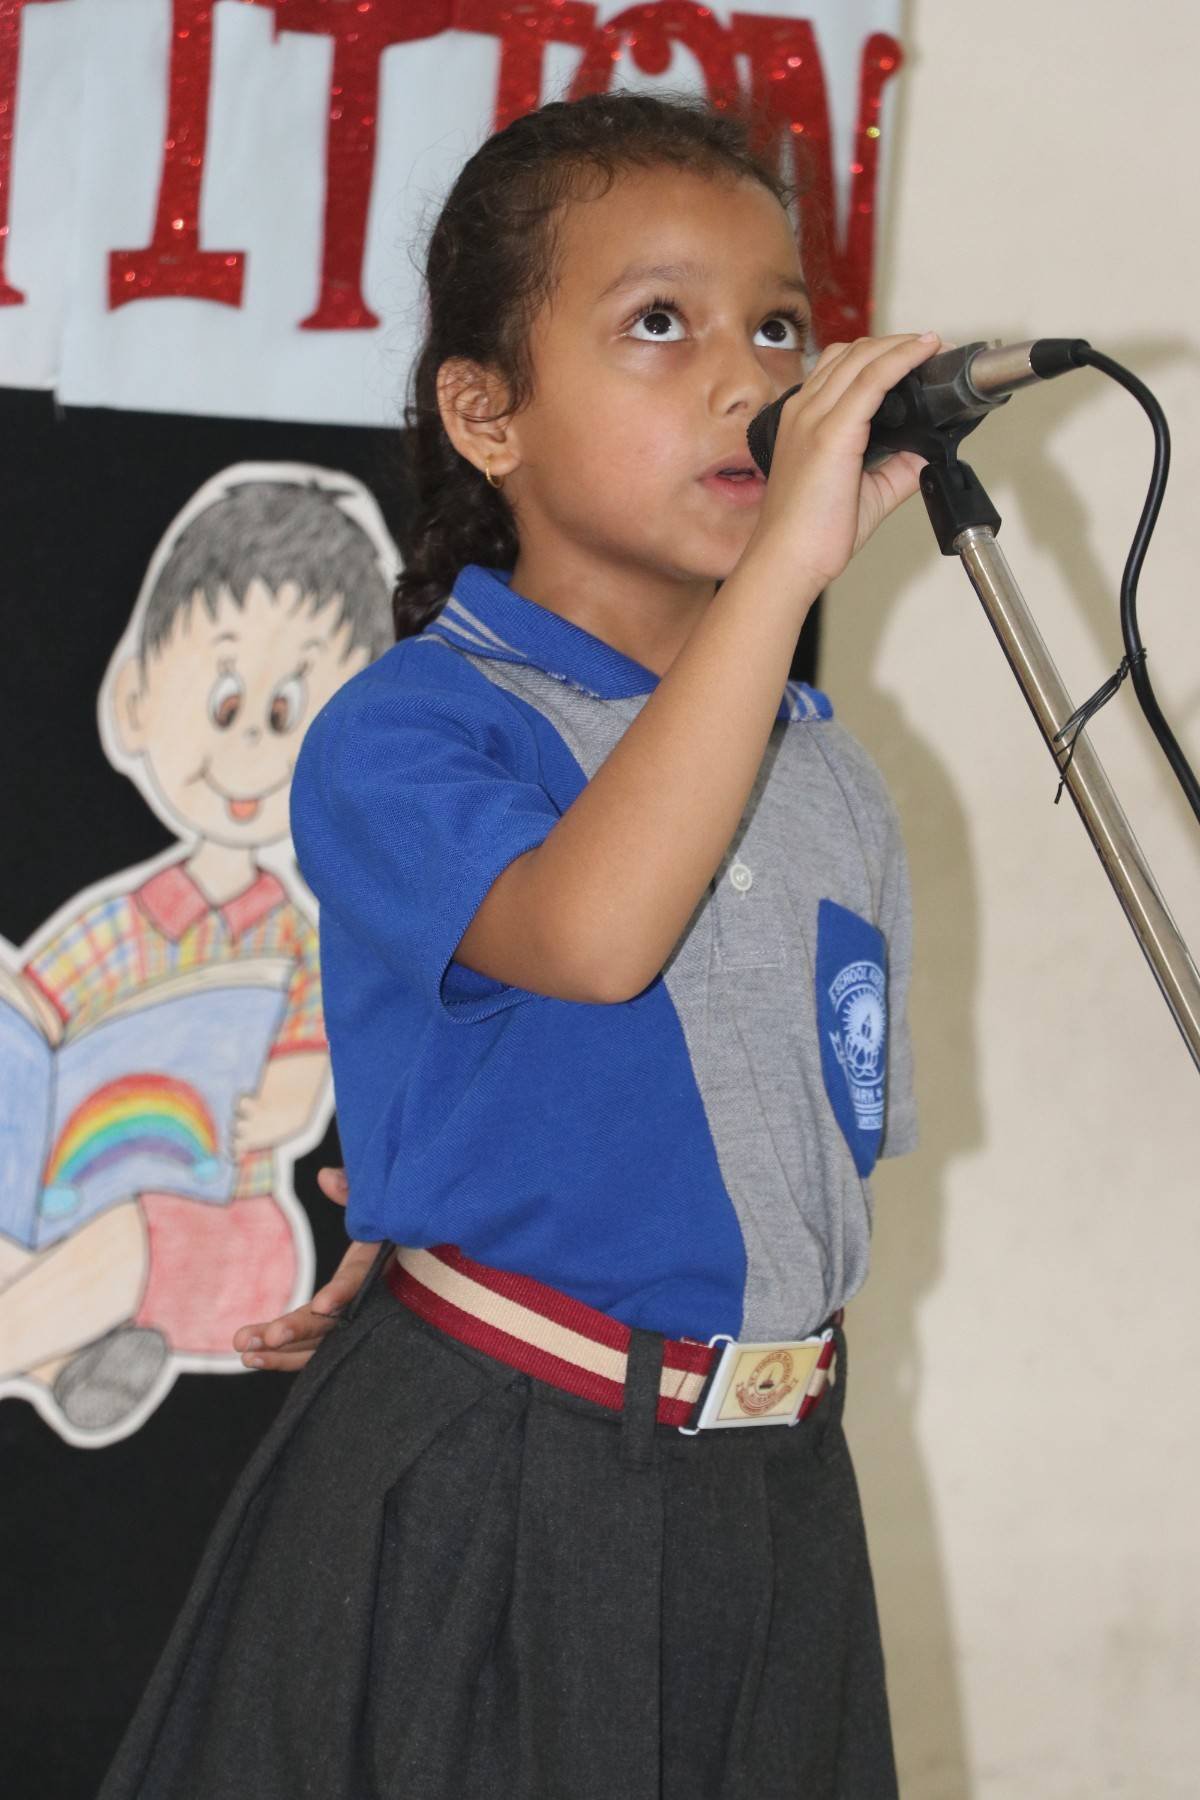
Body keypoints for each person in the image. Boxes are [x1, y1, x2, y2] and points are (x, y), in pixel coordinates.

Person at [98, 86, 937, 1800]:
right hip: (511, 1478)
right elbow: (590, 936)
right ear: (486, 411)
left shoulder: (827, 773)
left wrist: (452, 1183)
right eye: (660, 323)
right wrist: (781, 580)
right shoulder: (412, 729)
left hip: (777, 1487)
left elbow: (804, 1155)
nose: (750, 379)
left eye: (780, 325)